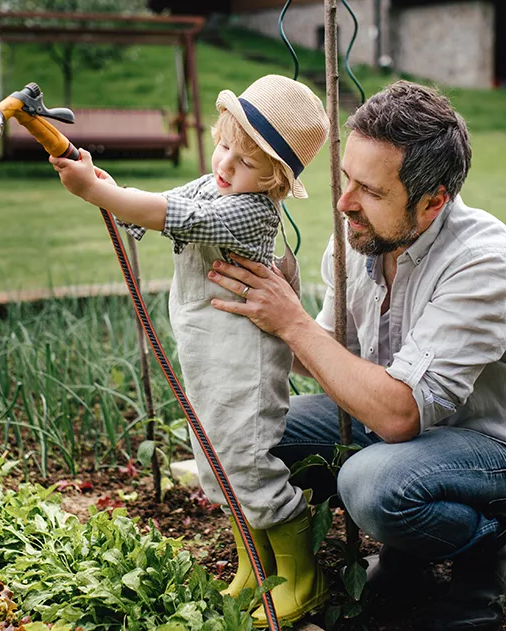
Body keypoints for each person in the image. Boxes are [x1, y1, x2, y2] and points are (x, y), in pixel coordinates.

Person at [204, 81, 506, 631]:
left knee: (374, 487)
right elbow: (331, 355)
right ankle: (392, 560)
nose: (344, 201)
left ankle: (483, 552)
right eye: (346, 177)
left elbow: (398, 413)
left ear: (432, 200)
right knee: (244, 436)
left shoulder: (482, 262)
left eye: (369, 189)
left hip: (493, 446)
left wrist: (294, 323)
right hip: (397, 425)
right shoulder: (358, 237)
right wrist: (270, 316)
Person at [50, 74, 332, 624]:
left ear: (276, 181)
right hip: (207, 354)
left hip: (244, 363)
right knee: (215, 456)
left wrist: (95, 193)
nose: (225, 165)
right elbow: (161, 203)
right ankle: (258, 568)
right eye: (224, 144)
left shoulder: (251, 211)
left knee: (247, 461)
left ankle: (304, 577)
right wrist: (108, 185)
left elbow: (180, 217)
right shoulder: (218, 184)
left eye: (246, 163)